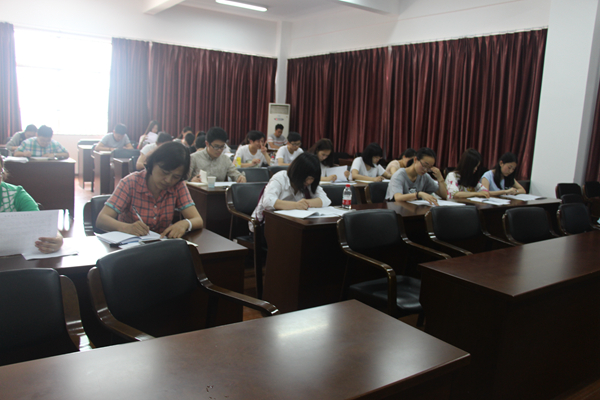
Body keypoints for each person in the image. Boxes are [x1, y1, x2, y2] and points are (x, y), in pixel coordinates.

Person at [96, 141, 204, 238]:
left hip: (160, 245)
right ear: (152, 164)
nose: (168, 180)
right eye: (164, 172)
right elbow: (101, 219)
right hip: (131, 246)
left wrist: (185, 224)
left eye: (176, 177)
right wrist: (126, 228)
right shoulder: (130, 183)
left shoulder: (178, 185)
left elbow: (198, 219)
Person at [250, 152, 331, 231]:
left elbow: (326, 200)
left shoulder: (309, 184)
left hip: (291, 224)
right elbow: (268, 202)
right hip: (265, 225)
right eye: (307, 178)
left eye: (312, 178)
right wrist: (296, 205)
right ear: (298, 173)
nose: (309, 182)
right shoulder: (280, 178)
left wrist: (305, 203)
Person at [0, 157, 63, 253]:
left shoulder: (15, 194)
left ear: (3, 173)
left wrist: (57, 238)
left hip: (13, 257)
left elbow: (41, 224)